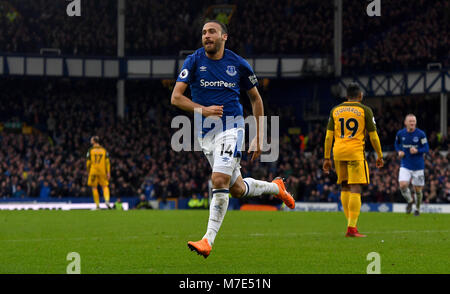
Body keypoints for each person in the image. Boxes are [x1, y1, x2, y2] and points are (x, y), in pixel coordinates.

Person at [171, 20, 295, 258]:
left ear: (224, 37)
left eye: (212, 32)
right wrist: (203, 110)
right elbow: (176, 98)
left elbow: (256, 100)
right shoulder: (194, 60)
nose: (206, 36)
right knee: (236, 189)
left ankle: (207, 240)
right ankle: (275, 187)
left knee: (219, 179)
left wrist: (258, 136)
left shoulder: (238, 64)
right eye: (204, 32)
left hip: (232, 128)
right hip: (206, 135)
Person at [323, 82, 384, 237]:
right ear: (360, 96)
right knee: (355, 187)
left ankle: (350, 224)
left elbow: (329, 136)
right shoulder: (365, 110)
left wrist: (326, 157)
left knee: (344, 186)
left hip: (338, 152)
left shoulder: (335, 110)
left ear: (346, 96)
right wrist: (379, 155)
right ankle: (352, 227)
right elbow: (373, 136)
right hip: (355, 152)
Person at [394, 114, 429, 215]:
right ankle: (410, 201)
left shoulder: (421, 134)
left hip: (418, 166)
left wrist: (417, 150)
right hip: (405, 164)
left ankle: (417, 208)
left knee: (418, 190)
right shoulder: (400, 134)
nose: (412, 123)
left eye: (413, 121)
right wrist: (399, 151)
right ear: (405, 123)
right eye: (410, 121)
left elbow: (426, 148)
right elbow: (396, 144)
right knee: (403, 185)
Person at [86, 136, 111, 210]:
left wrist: (88, 171)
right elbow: (107, 162)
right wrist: (108, 172)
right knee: (105, 186)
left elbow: (88, 162)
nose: (90, 141)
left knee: (94, 187)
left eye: (91, 140)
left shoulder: (90, 150)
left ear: (94, 141)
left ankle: (97, 205)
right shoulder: (104, 150)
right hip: (102, 171)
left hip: (93, 171)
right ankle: (107, 201)